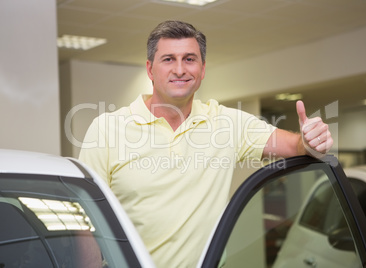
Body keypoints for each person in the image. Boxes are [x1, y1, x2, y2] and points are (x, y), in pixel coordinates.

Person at [79, 20, 333, 267]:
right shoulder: (107, 129)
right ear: (150, 69)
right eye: (168, 59)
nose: (180, 69)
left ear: (202, 70)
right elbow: (84, 218)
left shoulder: (226, 123)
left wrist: (310, 141)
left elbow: (296, 147)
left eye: (189, 59)